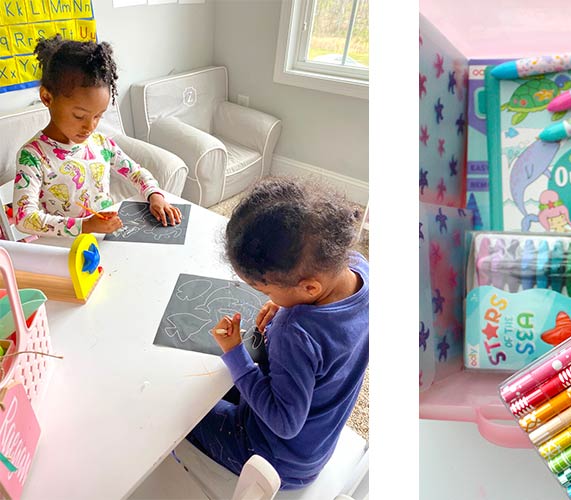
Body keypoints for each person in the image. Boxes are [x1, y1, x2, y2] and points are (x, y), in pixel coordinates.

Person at [188, 177, 368, 489]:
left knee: (182, 411)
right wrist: (284, 300)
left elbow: (284, 422)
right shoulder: (358, 267)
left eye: (265, 290)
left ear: (309, 288)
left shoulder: (293, 332)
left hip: (275, 459)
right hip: (313, 446)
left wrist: (235, 353)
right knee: (211, 386)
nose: (264, 296)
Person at [13, 35, 181, 237]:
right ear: (47, 97)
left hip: (105, 239)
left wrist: (154, 194)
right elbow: (24, 218)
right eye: (79, 116)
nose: (90, 127)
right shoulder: (33, 156)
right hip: (66, 249)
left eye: (98, 116)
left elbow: (136, 172)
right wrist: (84, 226)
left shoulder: (101, 144)